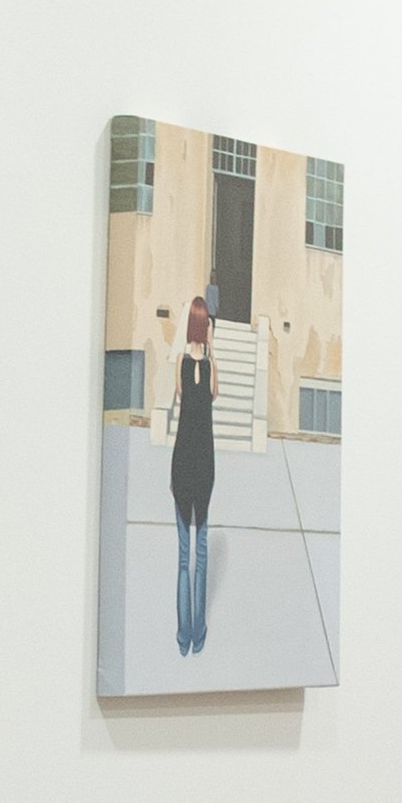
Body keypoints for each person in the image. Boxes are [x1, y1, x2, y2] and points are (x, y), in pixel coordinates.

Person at [170, 278, 222, 656]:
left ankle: (183, 636)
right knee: (200, 555)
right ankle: (198, 632)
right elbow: (213, 393)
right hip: (203, 470)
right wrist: (212, 351)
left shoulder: (181, 365)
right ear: (206, 328)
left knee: (183, 557)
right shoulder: (206, 367)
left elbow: (182, 396)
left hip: (181, 468)